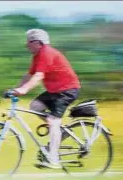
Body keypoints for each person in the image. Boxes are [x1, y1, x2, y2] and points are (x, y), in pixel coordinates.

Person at [11, 28, 81, 169]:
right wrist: (15, 89)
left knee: (53, 121)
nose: (27, 45)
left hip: (67, 90)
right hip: (54, 91)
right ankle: (60, 131)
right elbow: (29, 75)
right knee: (35, 106)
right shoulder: (37, 56)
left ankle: (53, 159)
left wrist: (24, 89)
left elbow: (38, 76)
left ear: (38, 42)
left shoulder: (47, 53)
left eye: (29, 42)